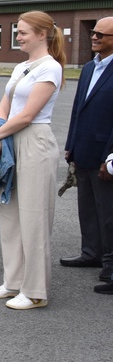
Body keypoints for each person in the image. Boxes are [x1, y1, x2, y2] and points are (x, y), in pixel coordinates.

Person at [0, 10, 65, 310]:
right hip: (13, 139)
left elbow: (28, 115)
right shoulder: (22, 67)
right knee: (11, 216)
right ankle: (13, 282)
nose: (18, 36)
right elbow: (4, 106)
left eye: (24, 32)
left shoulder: (50, 68)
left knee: (34, 219)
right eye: (18, 31)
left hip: (35, 142)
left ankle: (35, 291)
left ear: (42, 34)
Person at [62, 16, 113, 292]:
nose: (94, 38)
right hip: (83, 150)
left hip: (106, 155)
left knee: (109, 213)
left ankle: (111, 269)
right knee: (88, 208)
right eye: (94, 33)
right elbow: (77, 110)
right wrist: (71, 143)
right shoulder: (88, 69)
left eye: (101, 35)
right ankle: (91, 253)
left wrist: (112, 158)